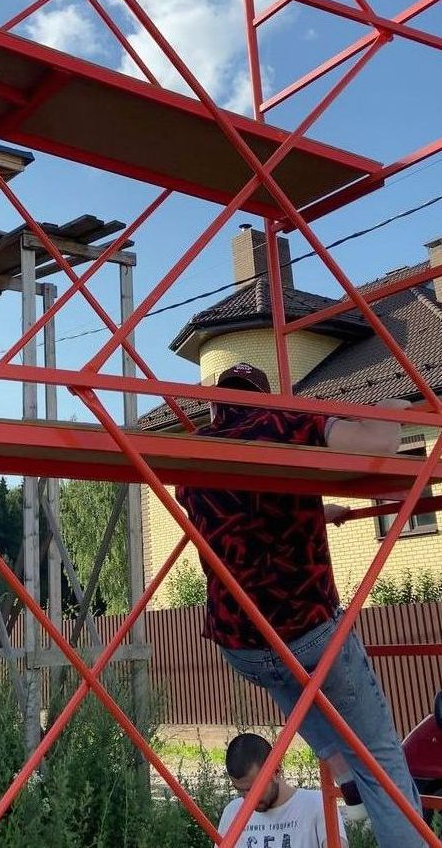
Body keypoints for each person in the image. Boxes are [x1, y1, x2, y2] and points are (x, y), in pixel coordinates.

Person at [175, 361, 425, 848]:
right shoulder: (287, 423)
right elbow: (378, 445)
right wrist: (391, 410)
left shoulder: (192, 454)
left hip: (240, 645)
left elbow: (246, 515)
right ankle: (370, 790)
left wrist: (318, 510)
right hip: (307, 632)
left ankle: (339, 765)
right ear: (266, 397)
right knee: (381, 760)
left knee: (288, 678)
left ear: (216, 407)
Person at [218, 732, 347, 847]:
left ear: (276, 770)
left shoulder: (317, 804)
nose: (247, 798)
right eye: (240, 790)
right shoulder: (232, 812)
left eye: (253, 790)